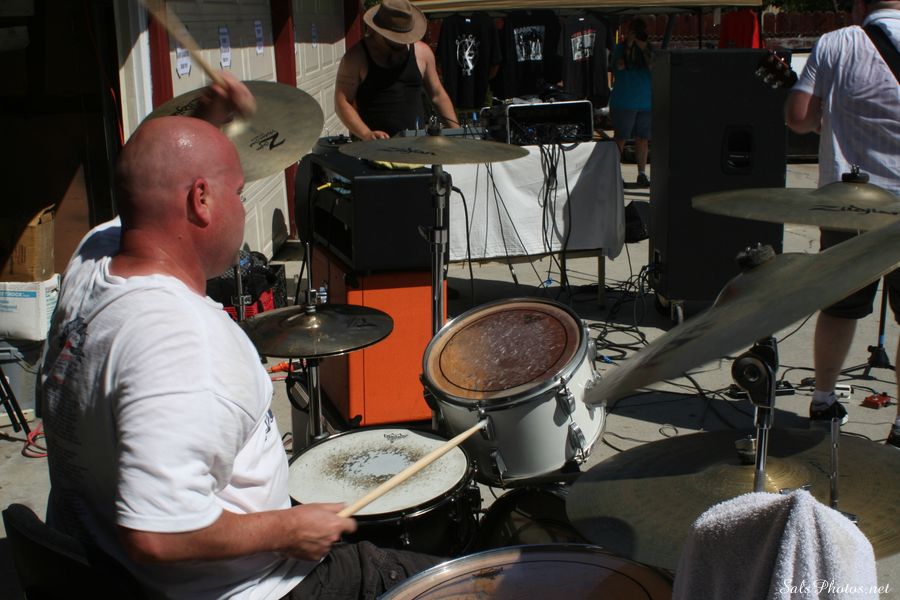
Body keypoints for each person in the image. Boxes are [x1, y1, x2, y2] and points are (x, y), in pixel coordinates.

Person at [39, 76, 440, 599]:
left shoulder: (93, 260)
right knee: (466, 582)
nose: (243, 207)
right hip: (255, 587)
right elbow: (157, 534)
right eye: (238, 192)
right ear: (201, 199)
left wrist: (204, 126)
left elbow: (150, 186)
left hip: (105, 553)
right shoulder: (184, 344)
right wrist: (287, 530)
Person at [785, 0, 900, 447]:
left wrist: (825, 119)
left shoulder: (837, 43)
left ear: (859, 6)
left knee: (839, 306)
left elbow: (798, 119)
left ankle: (823, 400)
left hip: (848, 204)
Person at [334, 0, 457, 140]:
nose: (402, 42)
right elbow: (342, 101)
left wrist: (457, 132)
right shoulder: (356, 57)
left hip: (416, 144)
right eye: (396, 38)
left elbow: (437, 94)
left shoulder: (422, 53)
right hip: (373, 146)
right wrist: (366, 134)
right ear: (380, 31)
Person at [609, 18, 653, 188]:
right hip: (624, 102)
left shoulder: (649, 48)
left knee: (643, 139)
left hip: (645, 102)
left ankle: (642, 173)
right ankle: (615, 173)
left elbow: (653, 67)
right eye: (636, 31)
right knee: (621, 138)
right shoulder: (620, 48)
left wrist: (643, 48)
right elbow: (619, 66)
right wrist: (628, 45)